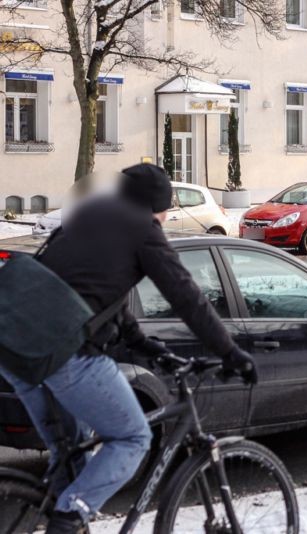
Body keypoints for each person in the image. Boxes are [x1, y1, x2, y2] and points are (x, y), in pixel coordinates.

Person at [0, 164, 256, 534]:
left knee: (71, 451)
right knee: (133, 438)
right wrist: (229, 351)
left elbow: (94, 292)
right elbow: (184, 294)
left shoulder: (91, 212)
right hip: (66, 353)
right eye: (167, 210)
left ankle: (61, 516)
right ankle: (68, 518)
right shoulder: (143, 230)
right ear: (157, 205)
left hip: (17, 349)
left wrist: (143, 344)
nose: (166, 218)